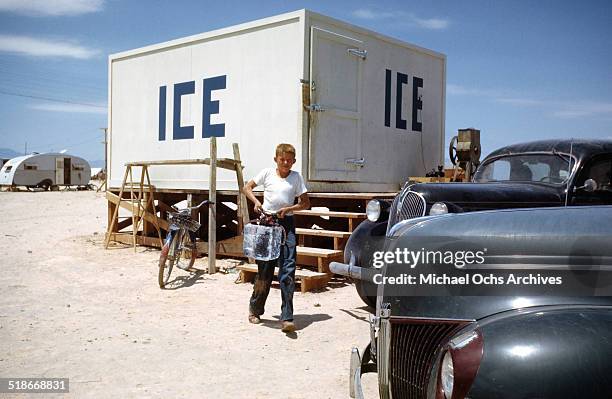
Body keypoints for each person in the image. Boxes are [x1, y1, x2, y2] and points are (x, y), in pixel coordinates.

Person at [243, 143, 310, 333]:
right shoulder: (266, 174)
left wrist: (290, 209)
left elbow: (305, 203)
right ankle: (255, 310)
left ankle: (287, 317)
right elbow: (247, 187)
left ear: (294, 161)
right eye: (282, 159)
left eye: (290, 160)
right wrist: (256, 202)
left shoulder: (296, 178)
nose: (286, 163)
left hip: (286, 226)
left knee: (288, 270)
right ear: (276, 160)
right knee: (264, 271)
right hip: (267, 225)